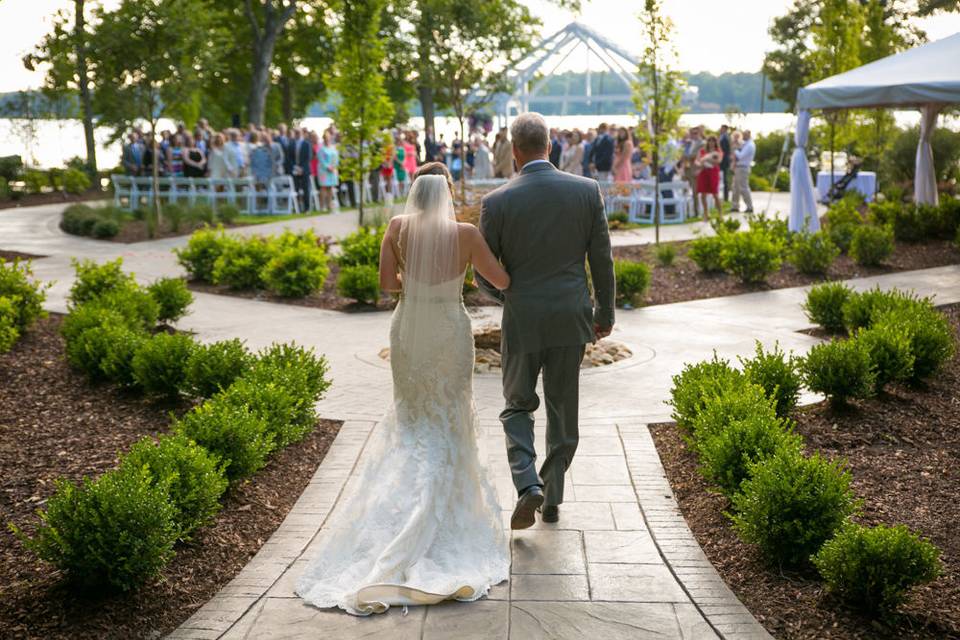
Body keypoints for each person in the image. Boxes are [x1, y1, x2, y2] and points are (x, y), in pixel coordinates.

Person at [296, 163, 511, 616]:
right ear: (448, 195)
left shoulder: (396, 227)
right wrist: (464, 275)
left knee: (413, 415)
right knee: (450, 409)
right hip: (450, 328)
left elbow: (384, 284)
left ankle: (397, 510)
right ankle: (444, 504)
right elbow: (503, 281)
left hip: (409, 324)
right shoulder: (466, 235)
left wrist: (416, 284)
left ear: (415, 194)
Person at [476, 112, 616, 527]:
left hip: (522, 320)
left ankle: (527, 485)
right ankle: (552, 495)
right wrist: (603, 313)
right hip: (570, 318)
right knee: (563, 412)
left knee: (517, 406)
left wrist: (509, 295)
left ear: (515, 152)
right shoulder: (587, 190)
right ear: (550, 146)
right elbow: (602, 261)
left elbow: (482, 271)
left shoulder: (497, 201)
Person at [695, 136, 723, 219]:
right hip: (703, 172)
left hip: (713, 172)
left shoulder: (718, 151)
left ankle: (720, 213)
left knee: (715, 194)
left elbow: (718, 161)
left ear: (715, 142)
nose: (711, 143)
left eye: (713, 141)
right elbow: (697, 160)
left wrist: (706, 159)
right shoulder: (702, 151)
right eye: (709, 141)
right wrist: (701, 162)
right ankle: (706, 213)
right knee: (703, 194)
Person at [681, 126, 704, 216]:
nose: (693, 135)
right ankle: (685, 211)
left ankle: (696, 211)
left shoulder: (701, 143)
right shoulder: (687, 143)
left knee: (695, 192)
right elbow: (682, 154)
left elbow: (696, 156)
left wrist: (687, 157)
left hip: (694, 169)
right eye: (691, 133)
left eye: (695, 133)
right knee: (684, 191)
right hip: (686, 168)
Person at [731, 129, 755, 213]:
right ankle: (735, 206)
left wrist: (735, 150)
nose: (743, 136)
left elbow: (740, 156)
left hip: (743, 168)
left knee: (743, 188)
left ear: (749, 135)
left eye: (744, 135)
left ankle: (749, 206)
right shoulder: (745, 144)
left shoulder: (750, 145)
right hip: (738, 168)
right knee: (735, 187)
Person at [290, 128, 313, 211]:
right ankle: (296, 207)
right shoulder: (292, 143)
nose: (297, 134)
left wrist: (301, 168)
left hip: (304, 169)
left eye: (298, 133)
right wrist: (295, 167)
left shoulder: (306, 144)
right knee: (295, 188)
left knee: (305, 189)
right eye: (296, 133)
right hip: (295, 169)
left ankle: (307, 208)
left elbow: (308, 157)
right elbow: (290, 157)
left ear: (302, 134)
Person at [317, 130, 339, 211]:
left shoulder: (333, 148)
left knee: (330, 188)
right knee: (323, 188)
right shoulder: (321, 149)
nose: (327, 139)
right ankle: (322, 206)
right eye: (325, 138)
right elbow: (321, 159)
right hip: (324, 171)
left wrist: (333, 167)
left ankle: (329, 205)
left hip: (332, 171)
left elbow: (336, 158)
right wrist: (327, 167)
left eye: (328, 138)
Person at [719, 124, 732, 202]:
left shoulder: (726, 137)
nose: (720, 129)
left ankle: (726, 197)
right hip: (722, 161)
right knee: (723, 179)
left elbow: (726, 150)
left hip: (724, 161)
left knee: (725, 180)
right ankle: (724, 197)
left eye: (722, 128)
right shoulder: (722, 137)